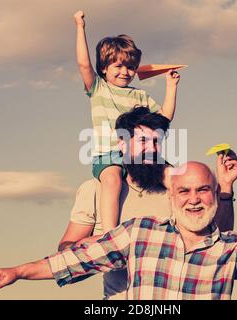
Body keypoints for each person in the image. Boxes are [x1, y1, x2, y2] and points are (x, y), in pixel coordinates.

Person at [0, 162, 237, 300]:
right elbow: (75, 260)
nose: (194, 199)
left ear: (214, 194)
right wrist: (18, 271)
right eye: (184, 191)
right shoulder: (140, 233)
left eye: (203, 190)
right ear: (171, 197)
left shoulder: (229, 248)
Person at [73, 10, 181, 237]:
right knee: (112, 181)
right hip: (109, 155)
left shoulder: (139, 96)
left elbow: (164, 118)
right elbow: (84, 64)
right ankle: (110, 237)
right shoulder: (99, 88)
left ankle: (183, 227)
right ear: (104, 68)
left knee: (174, 177)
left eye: (130, 67)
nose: (125, 72)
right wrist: (79, 26)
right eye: (118, 66)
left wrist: (171, 86)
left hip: (141, 155)